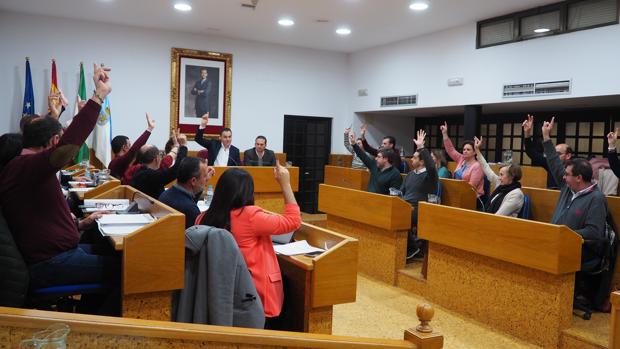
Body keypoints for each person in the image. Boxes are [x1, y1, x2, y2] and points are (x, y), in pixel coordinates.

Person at [0, 63, 120, 315]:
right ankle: (99, 333)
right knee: (129, 271)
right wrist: (98, 97)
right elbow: (67, 147)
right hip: (50, 263)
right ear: (54, 141)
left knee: (107, 251)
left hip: (57, 253)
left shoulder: (24, 166)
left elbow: (39, 219)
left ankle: (87, 321)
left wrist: (81, 224)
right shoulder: (26, 166)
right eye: (59, 137)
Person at [196, 162, 302, 321]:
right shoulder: (250, 216)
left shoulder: (202, 217)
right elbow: (294, 221)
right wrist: (285, 183)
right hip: (253, 294)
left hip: (217, 292)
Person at [542, 117, 608, 309]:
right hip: (555, 242)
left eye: (567, 174)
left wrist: (565, 234)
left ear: (579, 178)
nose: (563, 176)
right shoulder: (567, 188)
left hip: (577, 251)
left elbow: (595, 233)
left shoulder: (596, 199)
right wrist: (546, 138)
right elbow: (554, 163)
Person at [401, 130, 438, 260]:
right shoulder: (411, 174)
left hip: (420, 207)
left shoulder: (429, 175)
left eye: (415, 157)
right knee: (391, 212)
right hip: (406, 205)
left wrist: (421, 148)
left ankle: (412, 247)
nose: (411, 159)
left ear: (422, 162)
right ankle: (404, 247)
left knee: (400, 217)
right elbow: (402, 192)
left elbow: (432, 167)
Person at [474, 137, 524, 217]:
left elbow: (499, 216)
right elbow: (486, 168)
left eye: (501, 175)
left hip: (502, 226)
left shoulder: (516, 194)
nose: (499, 178)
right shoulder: (501, 185)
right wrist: (477, 150)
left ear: (511, 176)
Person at [159, 157, 215, 228]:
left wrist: (205, 179)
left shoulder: (165, 194)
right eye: (204, 176)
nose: (206, 179)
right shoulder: (190, 210)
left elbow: (189, 199)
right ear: (193, 181)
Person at [131, 132, 188, 200]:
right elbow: (175, 170)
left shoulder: (140, 171)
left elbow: (169, 162)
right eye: (160, 155)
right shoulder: (149, 175)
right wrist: (184, 146)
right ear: (157, 159)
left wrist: (176, 145)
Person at [523, 114, 574, 189]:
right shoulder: (550, 164)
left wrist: (546, 135)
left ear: (568, 155)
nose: (554, 156)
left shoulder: (575, 168)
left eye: (557, 154)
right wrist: (527, 134)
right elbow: (531, 152)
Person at [440, 121, 485, 199]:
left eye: (468, 149)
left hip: (472, 198)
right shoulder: (461, 159)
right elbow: (450, 149)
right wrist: (444, 134)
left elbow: (471, 186)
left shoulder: (477, 166)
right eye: (464, 149)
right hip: (458, 194)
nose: (465, 151)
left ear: (475, 152)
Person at [108, 113, 155, 178]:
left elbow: (137, 149)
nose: (131, 147)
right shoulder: (118, 161)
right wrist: (149, 129)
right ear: (124, 147)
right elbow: (134, 149)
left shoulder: (120, 161)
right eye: (129, 145)